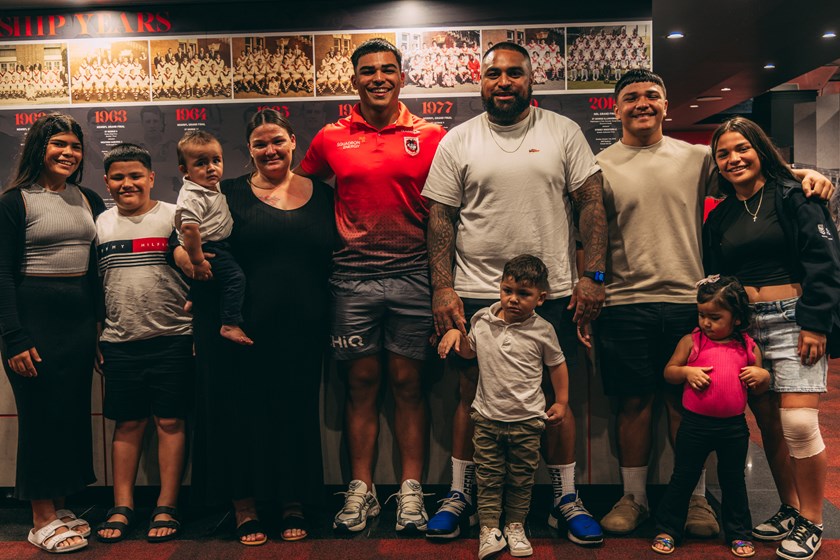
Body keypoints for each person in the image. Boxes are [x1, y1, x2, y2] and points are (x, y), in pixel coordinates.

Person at [595, 69, 833, 538]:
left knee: (695, 403)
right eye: (631, 98)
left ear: (666, 105)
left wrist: (808, 175)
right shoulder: (596, 163)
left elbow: (755, 169)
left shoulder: (699, 157)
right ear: (616, 107)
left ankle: (698, 501)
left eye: (652, 96)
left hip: (694, 304)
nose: (642, 104)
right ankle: (635, 498)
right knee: (634, 404)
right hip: (625, 300)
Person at [423, 41, 607, 546]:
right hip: (478, 291)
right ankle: (460, 494)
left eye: (514, 74)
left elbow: (591, 203)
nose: (503, 82)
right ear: (480, 82)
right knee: (470, 397)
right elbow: (440, 216)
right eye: (493, 74)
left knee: (554, 399)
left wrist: (594, 278)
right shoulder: (458, 140)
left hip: (551, 295)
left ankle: (566, 499)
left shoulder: (562, 131)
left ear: (532, 81)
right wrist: (442, 287)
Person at [296, 38, 446, 534]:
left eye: (387, 69)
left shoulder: (432, 135)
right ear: (354, 79)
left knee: (408, 385)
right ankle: (360, 490)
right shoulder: (330, 137)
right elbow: (296, 194)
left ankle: (409, 491)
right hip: (351, 281)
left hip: (414, 278)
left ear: (402, 77)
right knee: (360, 387)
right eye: (367, 71)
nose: (378, 77)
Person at [188, 109, 335, 545]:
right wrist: (182, 257)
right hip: (240, 330)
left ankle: (293, 500)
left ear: (294, 142)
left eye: (277, 141)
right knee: (239, 417)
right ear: (248, 150)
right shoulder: (226, 193)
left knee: (294, 413)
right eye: (259, 144)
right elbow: (189, 239)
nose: (270, 150)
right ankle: (245, 506)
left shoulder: (324, 195)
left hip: (303, 329)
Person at [703, 117, 840, 560]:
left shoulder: (797, 197)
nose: (733, 159)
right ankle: (791, 508)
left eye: (741, 148)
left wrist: (817, 322)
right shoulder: (721, 215)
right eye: (723, 153)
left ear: (760, 149)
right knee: (769, 427)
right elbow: (718, 276)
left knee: (798, 425)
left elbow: (825, 263)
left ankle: (813, 520)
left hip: (794, 320)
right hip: (747, 328)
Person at [0, 113, 105, 552]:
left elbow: (99, 270)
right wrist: (14, 338)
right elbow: (1, 274)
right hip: (33, 322)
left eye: (75, 147)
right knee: (42, 418)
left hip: (79, 324)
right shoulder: (12, 202)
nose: (68, 153)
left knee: (69, 416)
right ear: (38, 148)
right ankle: (40, 517)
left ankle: (61, 505)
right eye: (58, 144)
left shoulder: (89, 198)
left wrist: (101, 327)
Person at [94, 144, 193, 544]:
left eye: (135, 175)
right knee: (127, 423)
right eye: (117, 177)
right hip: (119, 342)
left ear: (151, 177)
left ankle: (167, 505)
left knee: (170, 421)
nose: (126, 183)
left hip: (175, 338)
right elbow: (91, 287)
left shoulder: (174, 217)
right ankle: (123, 505)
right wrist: (96, 332)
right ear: (106, 182)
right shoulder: (99, 223)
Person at [439, 255, 570, 559]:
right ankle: (488, 528)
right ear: (499, 288)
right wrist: (456, 334)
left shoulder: (543, 330)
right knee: (488, 477)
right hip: (486, 418)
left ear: (541, 298)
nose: (513, 299)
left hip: (527, 420)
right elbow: (470, 353)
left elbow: (558, 365)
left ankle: (514, 525)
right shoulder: (482, 320)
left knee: (521, 478)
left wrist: (561, 401)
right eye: (507, 290)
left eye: (523, 294)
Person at [652, 276, 770, 558]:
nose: (706, 322)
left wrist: (762, 375)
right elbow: (669, 372)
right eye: (701, 314)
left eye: (715, 317)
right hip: (695, 425)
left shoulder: (748, 347)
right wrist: (686, 372)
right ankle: (668, 528)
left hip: (733, 427)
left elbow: (761, 387)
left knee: (733, 480)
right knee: (683, 477)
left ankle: (739, 532)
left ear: (737, 318)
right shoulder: (692, 341)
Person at [174, 130, 251, 345]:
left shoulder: (210, 186)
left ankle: (192, 298)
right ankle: (229, 324)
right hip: (210, 247)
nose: (211, 168)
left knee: (208, 276)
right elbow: (188, 229)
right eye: (201, 163)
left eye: (216, 160)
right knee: (235, 278)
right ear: (185, 170)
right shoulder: (193, 195)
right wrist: (197, 261)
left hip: (218, 244)